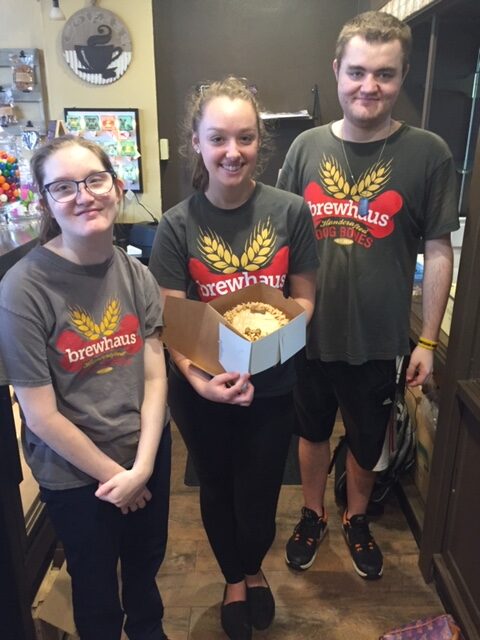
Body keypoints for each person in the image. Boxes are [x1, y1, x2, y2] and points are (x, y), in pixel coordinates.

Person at [277, 11, 459, 581]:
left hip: (378, 339)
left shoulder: (429, 153)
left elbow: (439, 249)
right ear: (337, 70)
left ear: (402, 77)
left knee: (364, 442)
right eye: (357, 71)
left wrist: (427, 339)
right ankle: (313, 514)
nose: (369, 87)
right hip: (305, 333)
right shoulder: (305, 147)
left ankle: (356, 519)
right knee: (309, 433)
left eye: (384, 74)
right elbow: (279, 237)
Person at [149, 76, 318, 640]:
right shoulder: (175, 225)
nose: (232, 151)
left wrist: (275, 341)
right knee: (218, 487)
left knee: (262, 495)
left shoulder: (292, 211)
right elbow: (174, 322)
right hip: (204, 390)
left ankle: (253, 560)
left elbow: (304, 297)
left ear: (259, 142)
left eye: (245, 138)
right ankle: (236, 578)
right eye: (217, 137)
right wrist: (199, 383)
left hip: (273, 385)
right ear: (196, 141)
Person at [0, 135, 171, 640]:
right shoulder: (22, 290)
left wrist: (142, 467)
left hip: (144, 454)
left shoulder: (135, 273)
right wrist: (120, 478)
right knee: (95, 593)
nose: (83, 195)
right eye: (64, 186)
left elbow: (155, 374)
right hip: (77, 477)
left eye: (95, 180)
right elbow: (41, 416)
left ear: (117, 188)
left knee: (144, 574)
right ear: (46, 201)